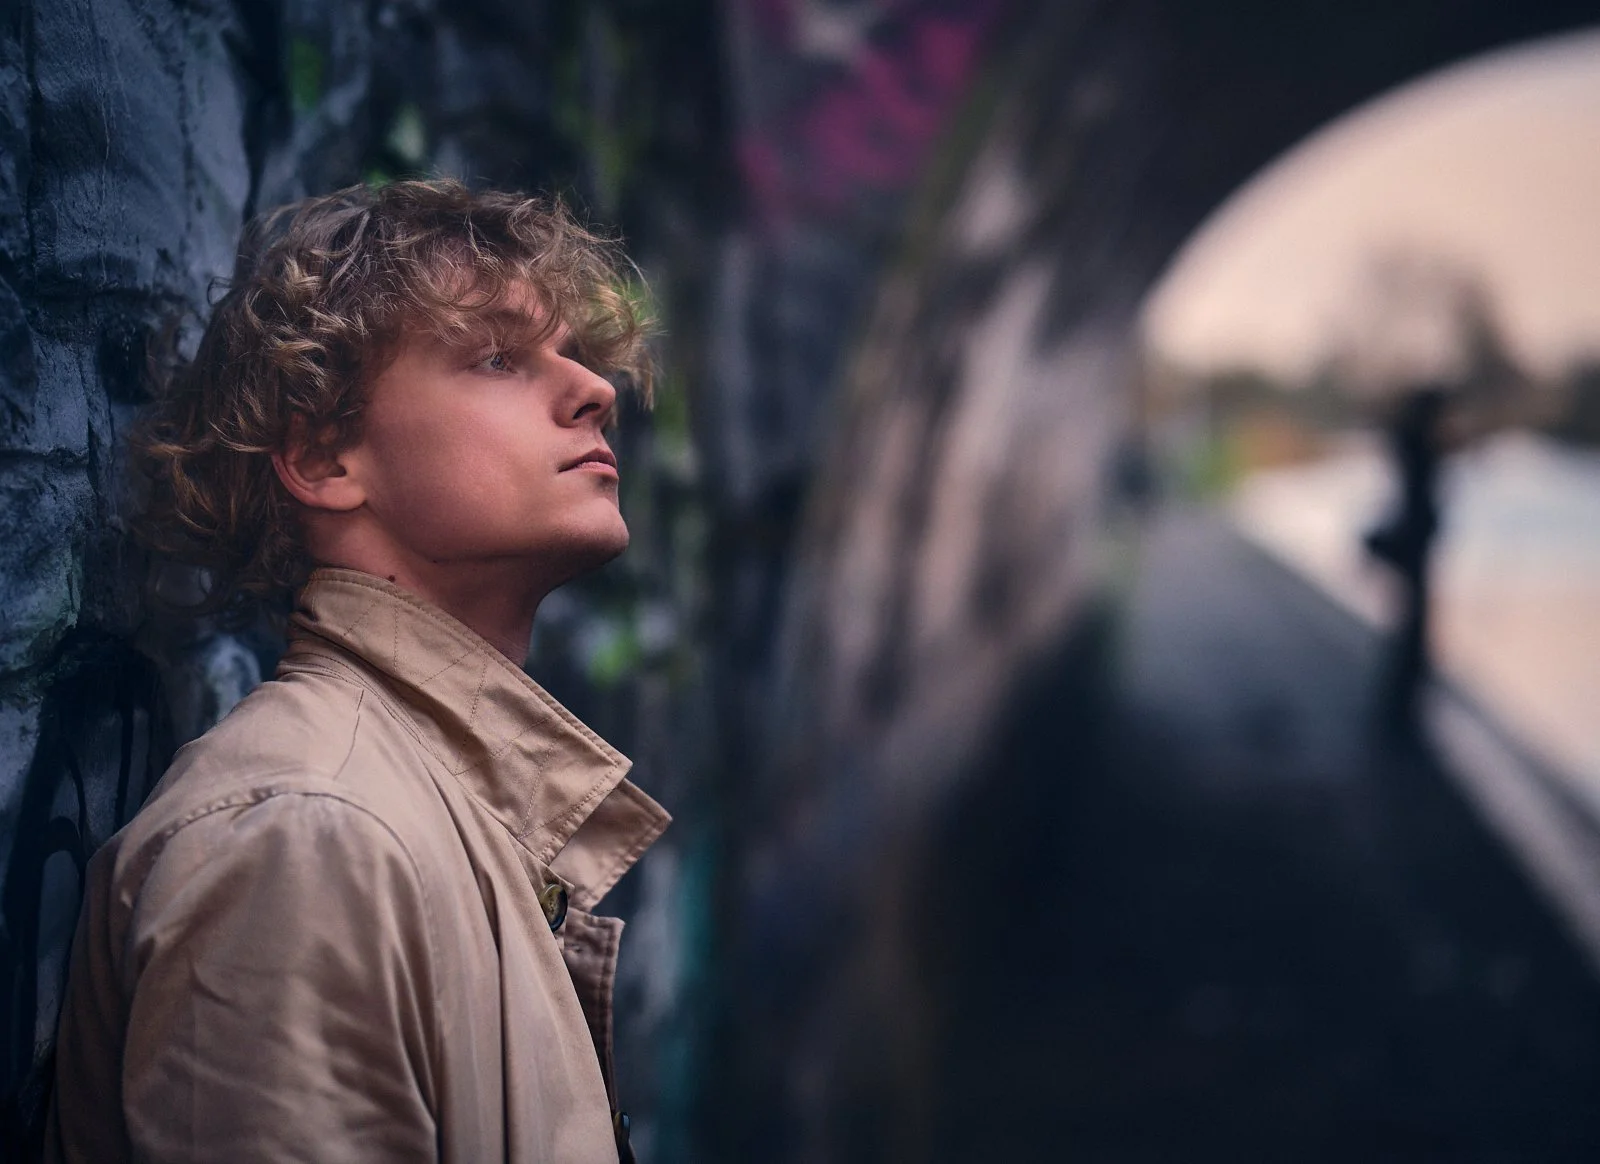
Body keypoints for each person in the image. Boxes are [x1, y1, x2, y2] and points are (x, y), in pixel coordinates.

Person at [45, 179, 669, 1163]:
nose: (593, 388)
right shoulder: (303, 836)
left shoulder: (388, 806)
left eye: (578, 356)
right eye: (499, 356)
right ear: (326, 456)